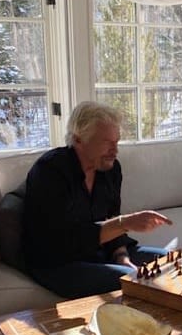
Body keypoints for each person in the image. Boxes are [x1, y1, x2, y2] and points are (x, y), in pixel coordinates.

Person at [23, 101, 172, 298]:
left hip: (100, 253)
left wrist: (121, 256)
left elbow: (112, 217)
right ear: (79, 140)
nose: (115, 150)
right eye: (107, 143)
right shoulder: (50, 171)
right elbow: (64, 242)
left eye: (116, 142)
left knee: (171, 262)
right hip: (57, 262)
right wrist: (125, 223)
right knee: (132, 280)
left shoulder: (110, 169)